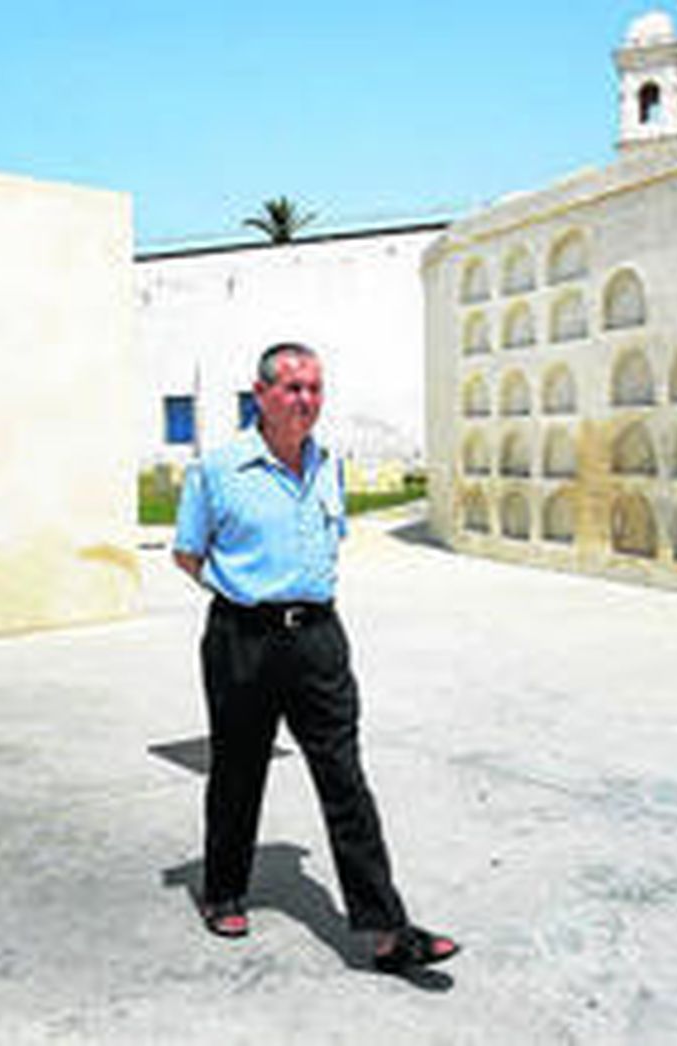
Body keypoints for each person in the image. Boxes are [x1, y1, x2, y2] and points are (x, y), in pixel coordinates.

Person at [172, 342, 458, 973]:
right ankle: (222, 891)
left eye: (315, 389)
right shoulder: (217, 471)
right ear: (262, 394)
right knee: (239, 770)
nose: (306, 400)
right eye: (294, 388)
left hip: (319, 641)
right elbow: (188, 553)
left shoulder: (329, 465)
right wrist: (245, 599)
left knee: (345, 779)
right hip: (242, 639)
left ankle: (386, 931)